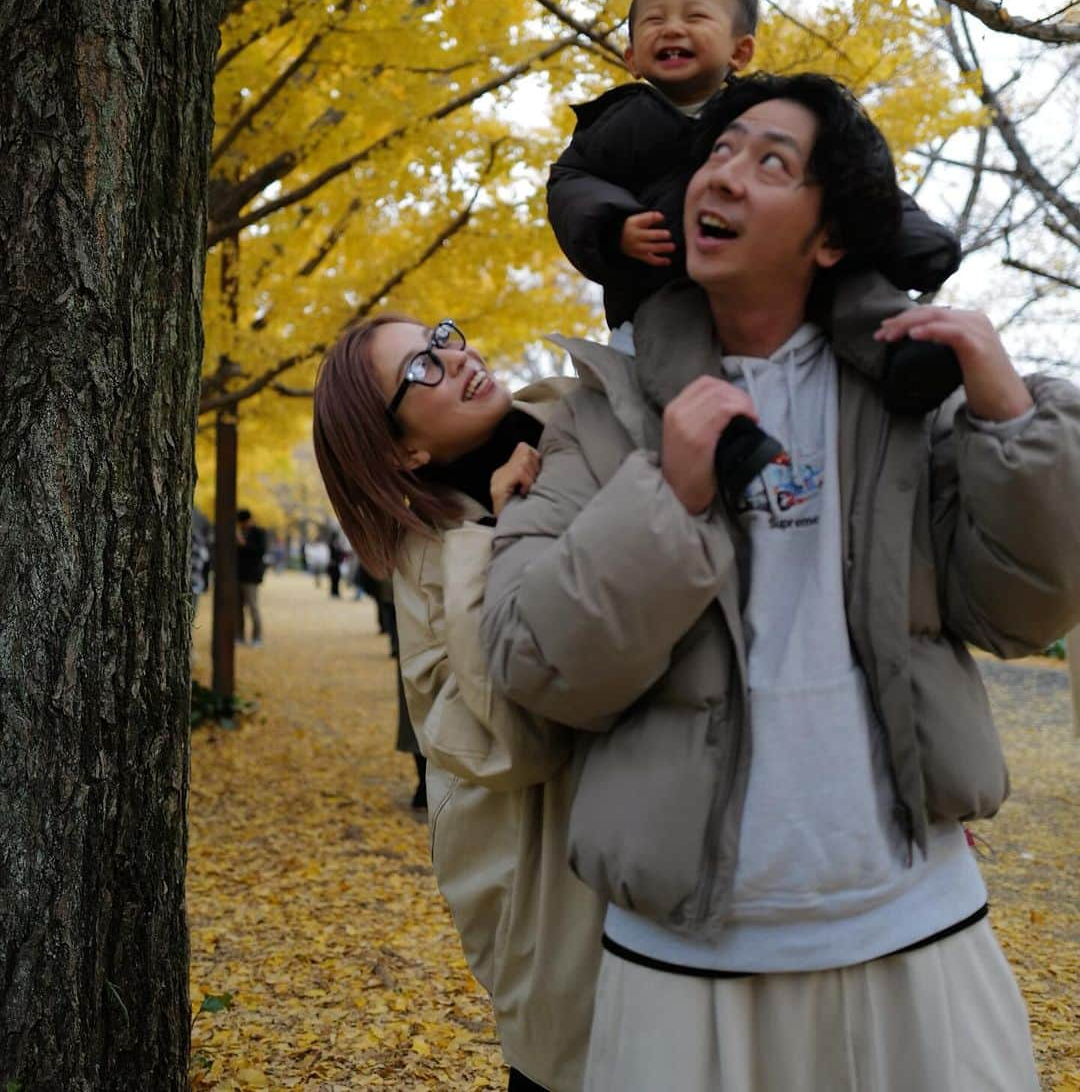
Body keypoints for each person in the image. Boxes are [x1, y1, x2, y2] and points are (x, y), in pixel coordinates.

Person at [483, 72, 1080, 1092]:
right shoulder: (599, 412)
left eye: (773, 161)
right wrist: (666, 498)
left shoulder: (917, 396)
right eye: (717, 153)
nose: (725, 173)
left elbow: (1024, 613)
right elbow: (534, 664)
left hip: (916, 925)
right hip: (682, 957)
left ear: (832, 236)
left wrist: (1012, 422)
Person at [311, 316, 604, 1092]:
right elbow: (517, 739)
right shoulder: (436, 560)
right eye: (422, 368)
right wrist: (508, 534)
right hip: (564, 927)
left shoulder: (590, 418)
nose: (457, 356)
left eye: (444, 336)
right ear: (402, 449)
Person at [547, 0, 962, 416]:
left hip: (777, 271)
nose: (670, 29)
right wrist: (613, 227)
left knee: (852, 283)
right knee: (669, 348)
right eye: (653, 21)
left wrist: (913, 238)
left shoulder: (766, 114)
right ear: (631, 58)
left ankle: (907, 357)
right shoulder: (618, 124)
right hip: (666, 281)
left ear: (739, 52)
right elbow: (572, 184)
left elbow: (846, 174)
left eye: (696, 16)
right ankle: (721, 434)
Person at [235, 508, 267, 647]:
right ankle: (239, 636)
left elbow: (260, 551)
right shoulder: (239, 532)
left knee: (253, 607)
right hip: (239, 574)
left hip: (251, 576)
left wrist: (244, 544)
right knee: (238, 608)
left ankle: (257, 637)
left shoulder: (259, 532)